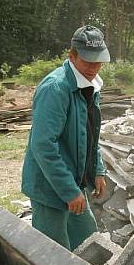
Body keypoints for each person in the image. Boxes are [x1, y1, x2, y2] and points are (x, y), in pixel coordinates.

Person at [21, 25, 109, 251]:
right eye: (88, 62)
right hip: (50, 188)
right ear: (71, 55)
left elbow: (91, 134)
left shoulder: (90, 85)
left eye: (98, 62)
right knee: (53, 257)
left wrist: (97, 169)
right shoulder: (56, 88)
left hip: (74, 183)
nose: (94, 68)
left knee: (89, 246)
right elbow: (43, 146)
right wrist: (69, 190)